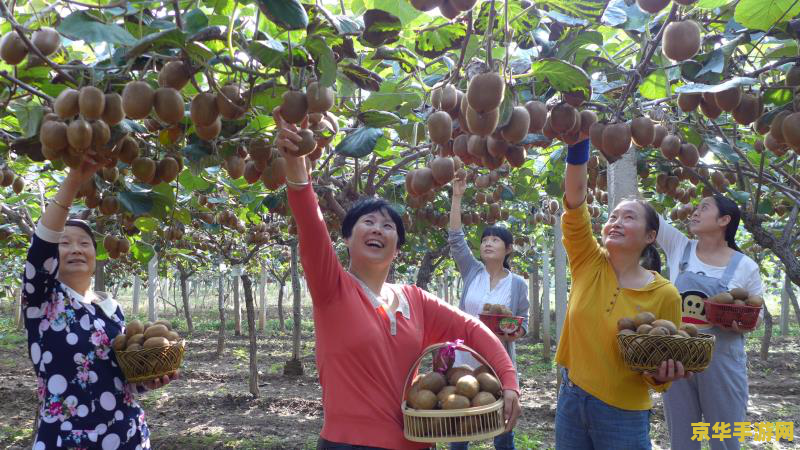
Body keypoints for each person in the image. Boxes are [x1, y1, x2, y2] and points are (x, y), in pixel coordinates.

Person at [274, 107, 522, 450]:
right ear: (347, 238)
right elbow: (310, 224)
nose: (378, 228)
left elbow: (472, 330)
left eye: (388, 225)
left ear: (397, 248)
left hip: (417, 442)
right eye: (367, 222)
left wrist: (508, 381)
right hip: (348, 444)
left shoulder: (413, 299)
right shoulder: (333, 288)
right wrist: (297, 167)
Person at [22, 151, 176, 449]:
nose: (76, 249)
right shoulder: (42, 300)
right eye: (64, 243)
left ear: (95, 256)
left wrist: (148, 379)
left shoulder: (111, 309)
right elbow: (41, 245)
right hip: (67, 440)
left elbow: (122, 378)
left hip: (127, 436)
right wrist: (73, 181)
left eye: (84, 243)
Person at [555, 139, 689, 449]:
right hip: (571, 399)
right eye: (613, 217)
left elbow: (659, 371)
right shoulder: (587, 261)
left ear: (650, 236)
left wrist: (662, 373)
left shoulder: (665, 294)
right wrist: (579, 142)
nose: (616, 222)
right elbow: (575, 202)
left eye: (629, 218)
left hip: (623, 413)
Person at [658, 195, 763, 450]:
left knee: (725, 439)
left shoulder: (745, 266)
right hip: (678, 360)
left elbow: (756, 316)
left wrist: (740, 324)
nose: (694, 212)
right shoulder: (678, 247)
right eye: (695, 207)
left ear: (724, 220)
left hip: (723, 361)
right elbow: (647, 216)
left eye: (704, 208)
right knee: (682, 441)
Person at [447, 178, 530, 450]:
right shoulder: (472, 272)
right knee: (458, 422)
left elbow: (523, 323)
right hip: (464, 359)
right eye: (484, 240)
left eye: (495, 240)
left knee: (503, 427)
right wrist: (457, 198)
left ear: (507, 249)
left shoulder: (517, 284)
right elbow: (456, 241)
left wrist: (516, 331)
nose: (488, 244)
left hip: (498, 361)